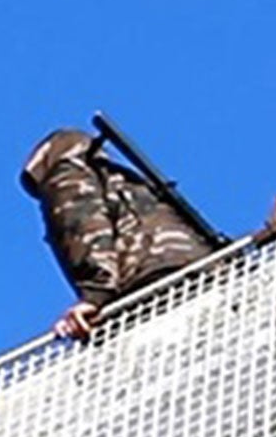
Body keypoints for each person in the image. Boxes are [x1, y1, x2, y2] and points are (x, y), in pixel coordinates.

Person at [23, 127, 216, 341]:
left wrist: (94, 297)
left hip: (151, 287)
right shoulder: (127, 180)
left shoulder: (67, 174)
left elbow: (83, 227)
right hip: (208, 274)